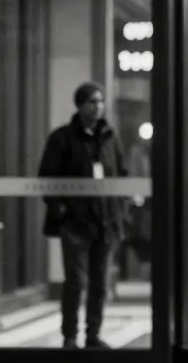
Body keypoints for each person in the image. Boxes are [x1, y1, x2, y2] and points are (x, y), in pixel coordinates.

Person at [39, 81, 128, 349]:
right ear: (79, 105)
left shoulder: (110, 138)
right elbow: (47, 179)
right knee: (76, 281)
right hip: (75, 224)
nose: (98, 107)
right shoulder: (62, 138)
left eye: (100, 101)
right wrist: (62, 212)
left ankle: (93, 334)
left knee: (100, 283)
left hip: (105, 222)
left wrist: (120, 210)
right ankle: (69, 336)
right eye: (92, 101)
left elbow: (121, 175)